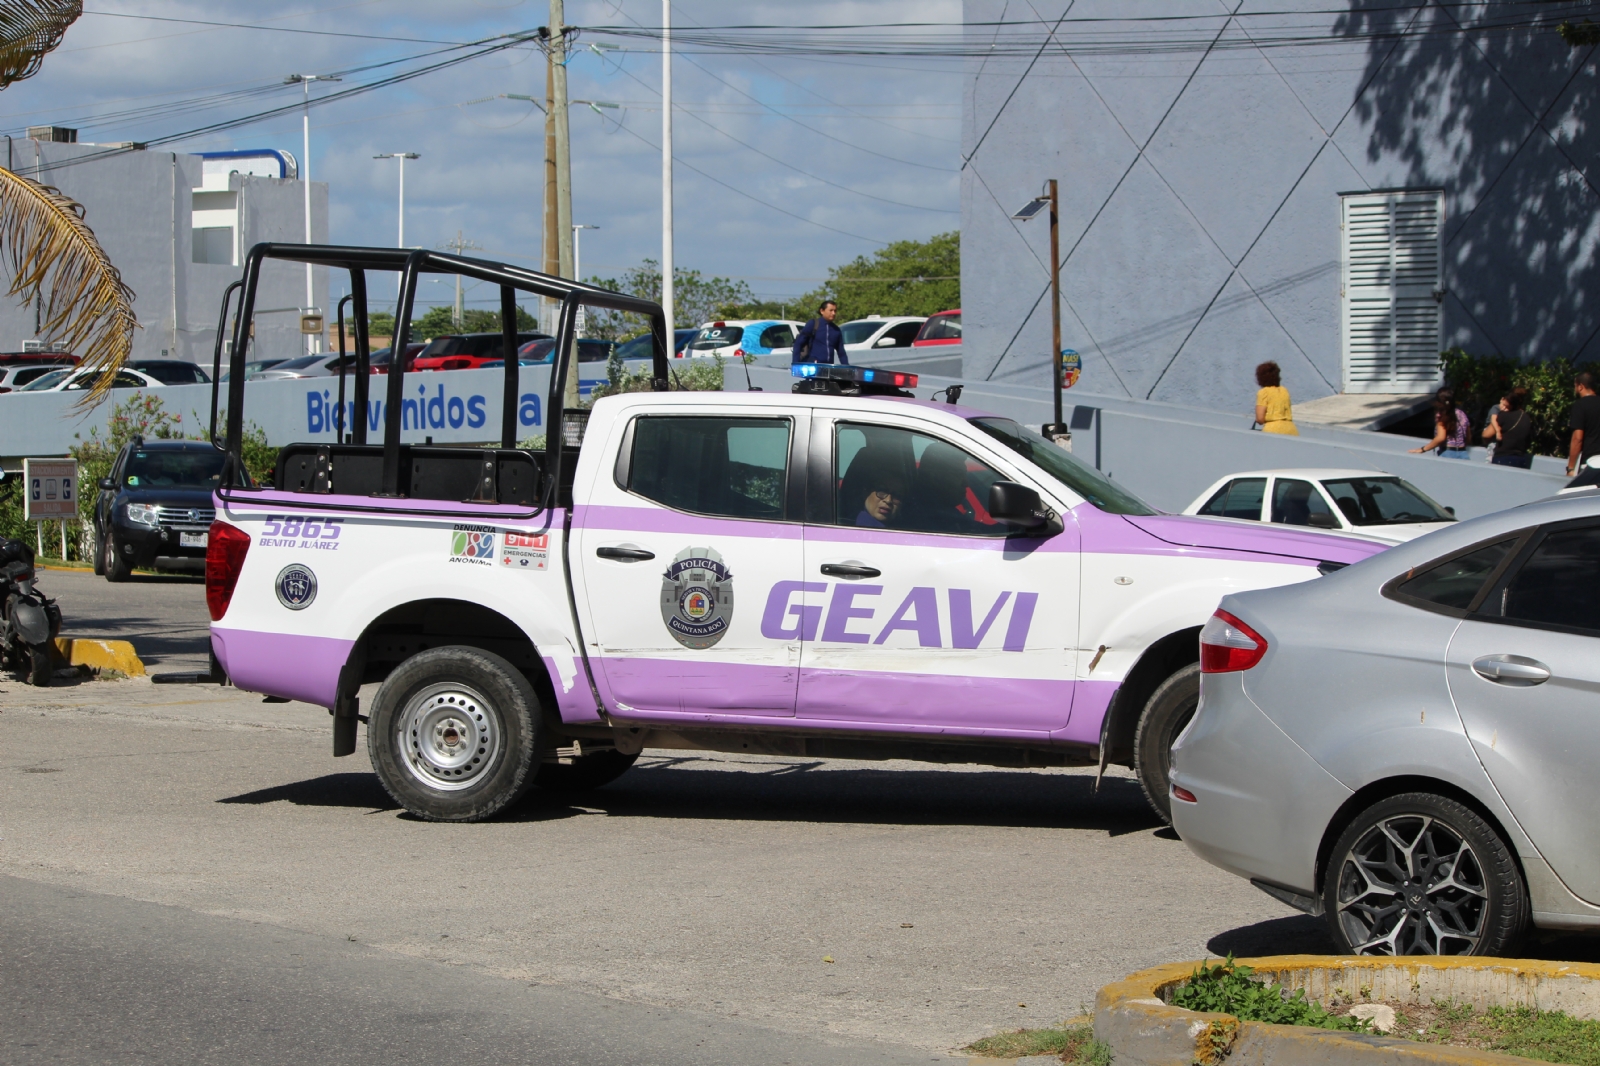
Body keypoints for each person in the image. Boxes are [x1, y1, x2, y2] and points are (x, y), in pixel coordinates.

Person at [1410, 387, 1471, 458]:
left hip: (1447, 453)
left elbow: (1441, 438)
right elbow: (1468, 437)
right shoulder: (1462, 414)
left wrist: (1423, 449)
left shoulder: (1441, 416)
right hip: (1463, 453)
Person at [1482, 386, 1533, 469]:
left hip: (1502, 458)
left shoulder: (1503, 416)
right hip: (1520, 460)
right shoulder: (1527, 418)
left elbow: (1486, 435)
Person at [792, 300, 848, 366]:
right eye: (831, 310)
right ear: (822, 311)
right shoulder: (813, 324)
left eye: (835, 311)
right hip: (813, 367)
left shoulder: (836, 330)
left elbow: (841, 352)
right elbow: (798, 344)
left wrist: (847, 368)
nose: (833, 313)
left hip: (828, 368)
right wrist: (795, 363)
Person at [1566, 371, 1600, 478]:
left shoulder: (1580, 406)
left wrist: (1571, 468)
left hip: (1589, 463)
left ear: (1580, 387)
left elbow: (1578, 438)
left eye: (1575, 386)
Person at [1253, 362, 1298, 435]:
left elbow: (1260, 419)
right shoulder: (1284, 390)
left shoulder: (1264, 392)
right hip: (1291, 429)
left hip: (1273, 429)